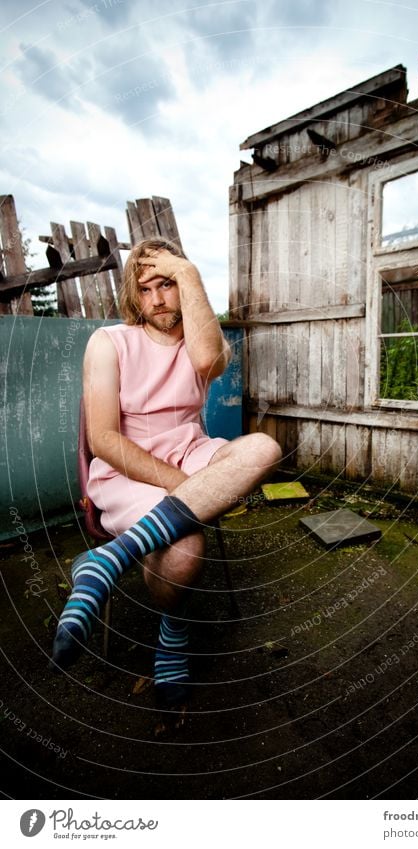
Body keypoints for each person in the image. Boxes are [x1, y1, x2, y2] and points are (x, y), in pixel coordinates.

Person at [51, 238, 282, 714]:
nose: (158, 298)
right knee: (186, 548)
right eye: (147, 288)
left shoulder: (200, 340)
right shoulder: (110, 342)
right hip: (126, 472)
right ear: (134, 296)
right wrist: (183, 487)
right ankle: (172, 630)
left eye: (168, 284)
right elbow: (104, 441)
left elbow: (205, 362)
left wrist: (190, 271)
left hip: (193, 454)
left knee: (264, 447)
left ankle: (110, 559)